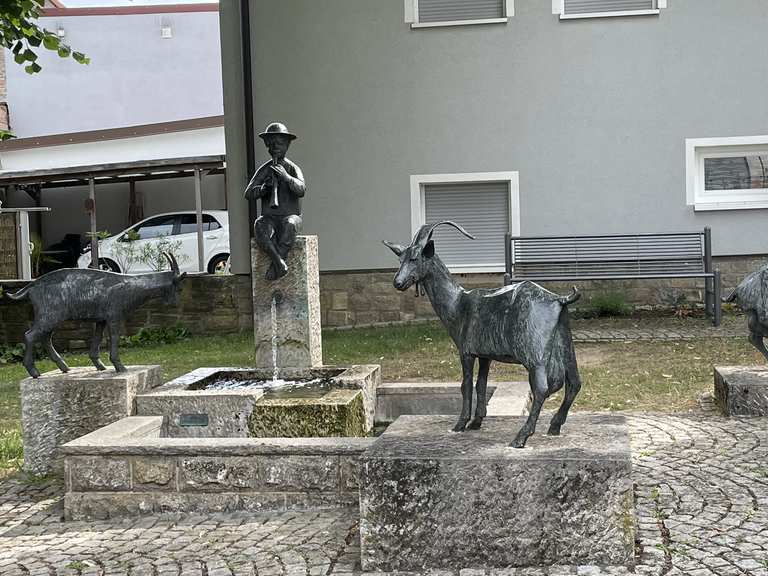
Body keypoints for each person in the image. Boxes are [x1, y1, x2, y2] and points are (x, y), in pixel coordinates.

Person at [244, 122, 306, 280]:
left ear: (287, 145)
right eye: (271, 143)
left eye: (280, 143)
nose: (275, 146)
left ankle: (277, 263)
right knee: (259, 226)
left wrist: (286, 178)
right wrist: (264, 189)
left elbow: (301, 190)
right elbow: (249, 193)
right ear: (267, 146)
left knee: (290, 225)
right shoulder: (265, 169)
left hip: (290, 216)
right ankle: (279, 261)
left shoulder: (292, 168)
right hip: (270, 217)